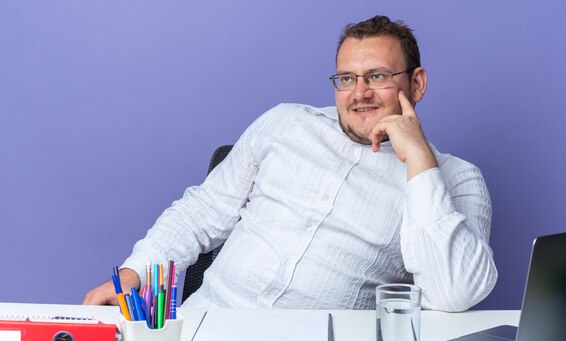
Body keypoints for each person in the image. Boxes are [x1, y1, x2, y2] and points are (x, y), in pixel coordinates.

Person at [84, 15, 497, 311]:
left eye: (378, 77)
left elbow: (454, 294)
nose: (360, 93)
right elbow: (201, 212)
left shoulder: (456, 180)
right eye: (347, 78)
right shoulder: (284, 123)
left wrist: (420, 162)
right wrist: (133, 272)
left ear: (416, 84)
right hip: (208, 329)